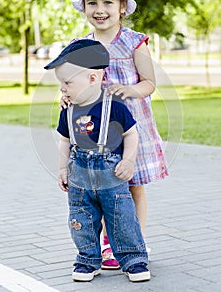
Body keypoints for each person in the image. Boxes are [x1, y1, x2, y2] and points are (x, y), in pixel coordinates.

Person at [62, 0, 169, 269]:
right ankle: (110, 245)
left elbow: (150, 84)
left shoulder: (134, 42)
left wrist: (128, 90)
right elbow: (74, 82)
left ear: (122, 7)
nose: (100, 9)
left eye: (108, 2)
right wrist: (66, 97)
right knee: (106, 187)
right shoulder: (82, 47)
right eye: (92, 2)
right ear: (84, 7)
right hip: (97, 131)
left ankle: (137, 240)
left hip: (130, 126)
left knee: (133, 184)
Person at [44, 39, 150, 282]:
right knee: (81, 219)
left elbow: (131, 134)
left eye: (67, 82)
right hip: (79, 175)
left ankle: (133, 259)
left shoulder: (115, 107)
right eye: (61, 83)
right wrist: (62, 168)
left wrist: (128, 161)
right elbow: (64, 140)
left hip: (111, 175)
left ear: (92, 79)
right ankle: (87, 260)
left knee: (122, 217)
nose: (63, 89)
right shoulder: (68, 109)